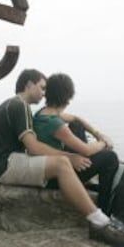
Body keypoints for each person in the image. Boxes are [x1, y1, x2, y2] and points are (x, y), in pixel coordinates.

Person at [0, 69, 124, 247]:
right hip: (3, 166)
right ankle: (100, 223)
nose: (44, 94)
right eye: (41, 88)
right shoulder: (20, 106)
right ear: (28, 84)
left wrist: (93, 136)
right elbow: (33, 147)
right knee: (62, 163)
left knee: (65, 159)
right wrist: (72, 156)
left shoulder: (18, 105)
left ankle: (97, 212)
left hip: (3, 162)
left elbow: (71, 121)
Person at [33, 73, 119, 212]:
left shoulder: (43, 113)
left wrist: (97, 134)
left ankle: (86, 182)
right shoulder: (54, 123)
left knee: (76, 125)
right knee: (110, 158)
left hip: (49, 168)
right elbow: (86, 150)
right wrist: (103, 142)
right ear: (68, 97)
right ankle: (105, 211)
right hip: (56, 178)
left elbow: (76, 119)